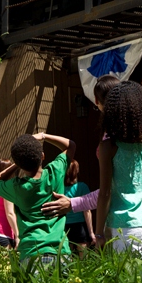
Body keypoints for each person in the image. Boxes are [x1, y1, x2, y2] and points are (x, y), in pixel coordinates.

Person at [96, 82, 142, 252]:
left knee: (130, 278)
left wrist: (99, 234)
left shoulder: (109, 147)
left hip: (125, 227)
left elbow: (105, 193)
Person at [40, 74, 120, 219]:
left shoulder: (109, 141)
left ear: (96, 100)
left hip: (122, 222)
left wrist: (99, 233)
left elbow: (107, 192)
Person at [0, 132, 75, 265]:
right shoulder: (55, 171)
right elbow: (71, 146)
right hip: (60, 251)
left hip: (31, 252)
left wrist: (16, 164)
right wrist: (44, 136)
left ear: (20, 164)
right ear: (42, 156)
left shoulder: (18, 187)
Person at [62, 160, 94, 251]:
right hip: (80, 226)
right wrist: (91, 232)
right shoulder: (82, 187)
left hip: (65, 226)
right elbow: (87, 211)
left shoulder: (60, 188)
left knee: (68, 257)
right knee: (83, 258)